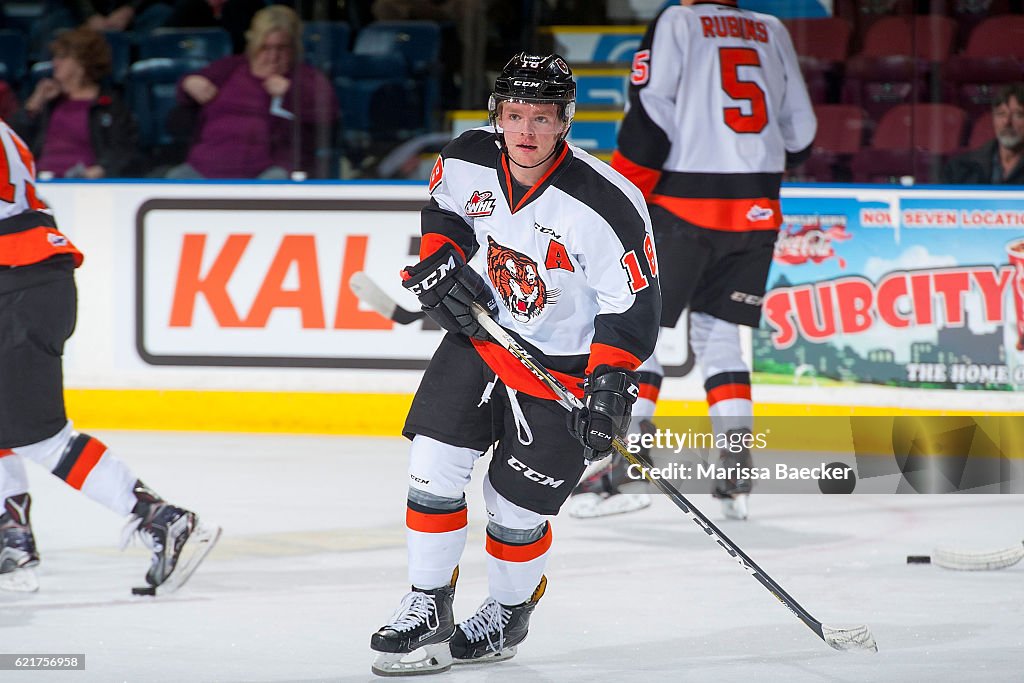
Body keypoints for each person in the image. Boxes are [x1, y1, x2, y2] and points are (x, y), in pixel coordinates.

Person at [368, 53, 660, 675]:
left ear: (566, 122)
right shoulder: (468, 156)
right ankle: (426, 601)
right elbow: (447, 213)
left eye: (543, 118)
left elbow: (631, 305)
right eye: (515, 114)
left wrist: (608, 389)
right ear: (498, 114)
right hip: (487, 336)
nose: (526, 131)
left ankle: (507, 611)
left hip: (568, 366)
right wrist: (443, 260)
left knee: (513, 510)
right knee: (432, 467)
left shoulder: (608, 203)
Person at [570, 0, 816, 520]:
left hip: (683, 209)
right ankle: (733, 474)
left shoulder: (677, 20)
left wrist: (621, 193)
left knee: (640, 331)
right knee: (721, 337)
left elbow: (650, 116)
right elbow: (802, 131)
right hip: (756, 210)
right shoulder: (772, 29)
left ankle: (623, 471)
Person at [0, 117, 220, 594]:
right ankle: (12, 536)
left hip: (16, 282)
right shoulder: (7, 131)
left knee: (42, 438)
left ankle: (160, 517)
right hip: (29, 273)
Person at [166, 4, 338, 179]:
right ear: (253, 44)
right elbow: (185, 91)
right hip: (206, 165)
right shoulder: (229, 68)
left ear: (294, 48)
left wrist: (290, 94)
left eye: (281, 48)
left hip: (268, 170)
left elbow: (329, 115)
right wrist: (188, 83)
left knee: (277, 180)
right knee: (175, 178)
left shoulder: (306, 78)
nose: (273, 57)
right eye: (265, 48)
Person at [14, 27, 139, 179]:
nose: (55, 63)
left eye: (62, 57)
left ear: (82, 63)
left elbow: (124, 150)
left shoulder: (109, 105)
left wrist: (101, 170)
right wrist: (34, 103)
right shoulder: (48, 102)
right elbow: (11, 142)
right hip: (40, 181)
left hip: (85, 184)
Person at [942, 83, 1024, 185]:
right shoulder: (959, 169)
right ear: (993, 119)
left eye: (1018, 114)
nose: (1007, 122)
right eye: (1001, 114)